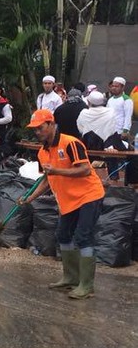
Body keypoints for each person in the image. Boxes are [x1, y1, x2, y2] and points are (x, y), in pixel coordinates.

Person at [18, 109, 105, 299]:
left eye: (40, 128)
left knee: (83, 236)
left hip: (89, 195)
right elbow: (47, 179)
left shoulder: (70, 143)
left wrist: (57, 171)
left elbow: (84, 170)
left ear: (51, 124)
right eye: (35, 129)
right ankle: (70, 278)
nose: (37, 132)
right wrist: (30, 199)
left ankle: (87, 286)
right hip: (68, 200)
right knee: (63, 235)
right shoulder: (42, 152)